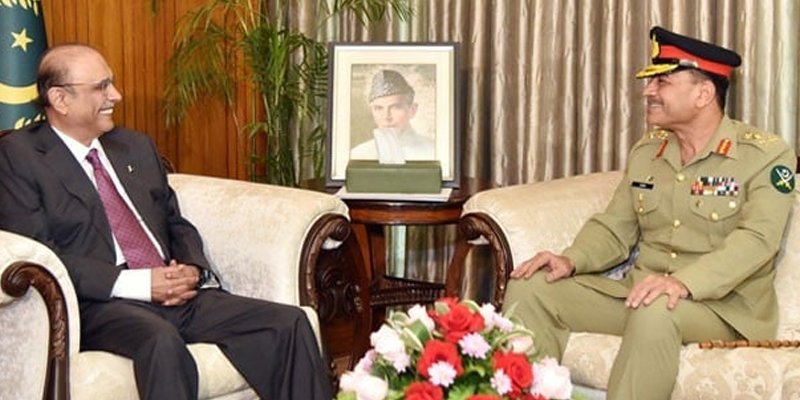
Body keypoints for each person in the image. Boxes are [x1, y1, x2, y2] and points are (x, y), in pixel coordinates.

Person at [0, 43, 332, 400]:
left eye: (112, 83)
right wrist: (141, 284)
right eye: (101, 87)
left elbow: (174, 221)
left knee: (289, 323)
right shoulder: (20, 157)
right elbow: (40, 254)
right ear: (60, 99)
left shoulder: (133, 146)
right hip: (100, 304)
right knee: (161, 341)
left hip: (175, 293)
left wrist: (191, 268)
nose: (116, 95)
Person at [504, 26, 796, 399]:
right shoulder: (649, 151)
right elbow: (615, 227)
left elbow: (757, 241)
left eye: (663, 82)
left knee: (656, 308)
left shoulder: (765, 154)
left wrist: (684, 282)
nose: (648, 91)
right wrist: (570, 259)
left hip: (724, 308)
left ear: (704, 94)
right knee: (531, 287)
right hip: (644, 295)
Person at [350, 69, 435, 163]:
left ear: (412, 110)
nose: (386, 117)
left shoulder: (433, 152)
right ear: (372, 111)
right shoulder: (358, 154)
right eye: (379, 108)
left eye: (395, 107)